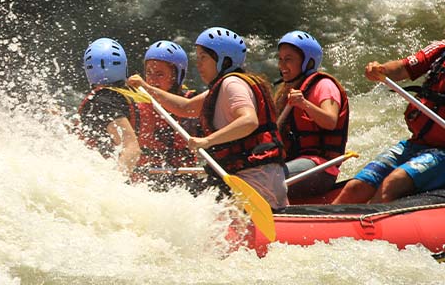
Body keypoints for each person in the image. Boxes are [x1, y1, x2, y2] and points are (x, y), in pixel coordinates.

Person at [128, 27, 288, 211]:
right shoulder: (222, 87)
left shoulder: (232, 84)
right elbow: (185, 108)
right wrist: (146, 87)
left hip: (255, 177)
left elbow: (249, 121)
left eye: (203, 57)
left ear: (223, 60)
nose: (198, 64)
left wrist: (208, 140)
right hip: (252, 175)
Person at [333, 40, 445, 204]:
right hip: (416, 143)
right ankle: (324, 220)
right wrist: (381, 70)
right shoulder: (440, 49)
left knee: (392, 183)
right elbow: (402, 68)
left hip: (443, 152)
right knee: (355, 187)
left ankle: (368, 219)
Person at [274, 31, 349, 198]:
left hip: (320, 167)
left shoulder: (324, 85)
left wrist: (304, 104)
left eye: (288, 59)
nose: (282, 65)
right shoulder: (286, 91)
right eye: (280, 59)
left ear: (308, 62)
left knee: (268, 180)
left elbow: (330, 121)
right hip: (293, 161)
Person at [126, 40, 203, 192]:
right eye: (148, 73)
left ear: (177, 77)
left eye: (160, 74)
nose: (152, 80)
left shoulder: (193, 102)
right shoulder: (136, 104)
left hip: (183, 180)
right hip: (145, 179)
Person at [77, 38, 145, 176]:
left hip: (118, 177)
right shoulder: (131, 93)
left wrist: (116, 183)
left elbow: (132, 149)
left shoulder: (101, 102)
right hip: (147, 176)